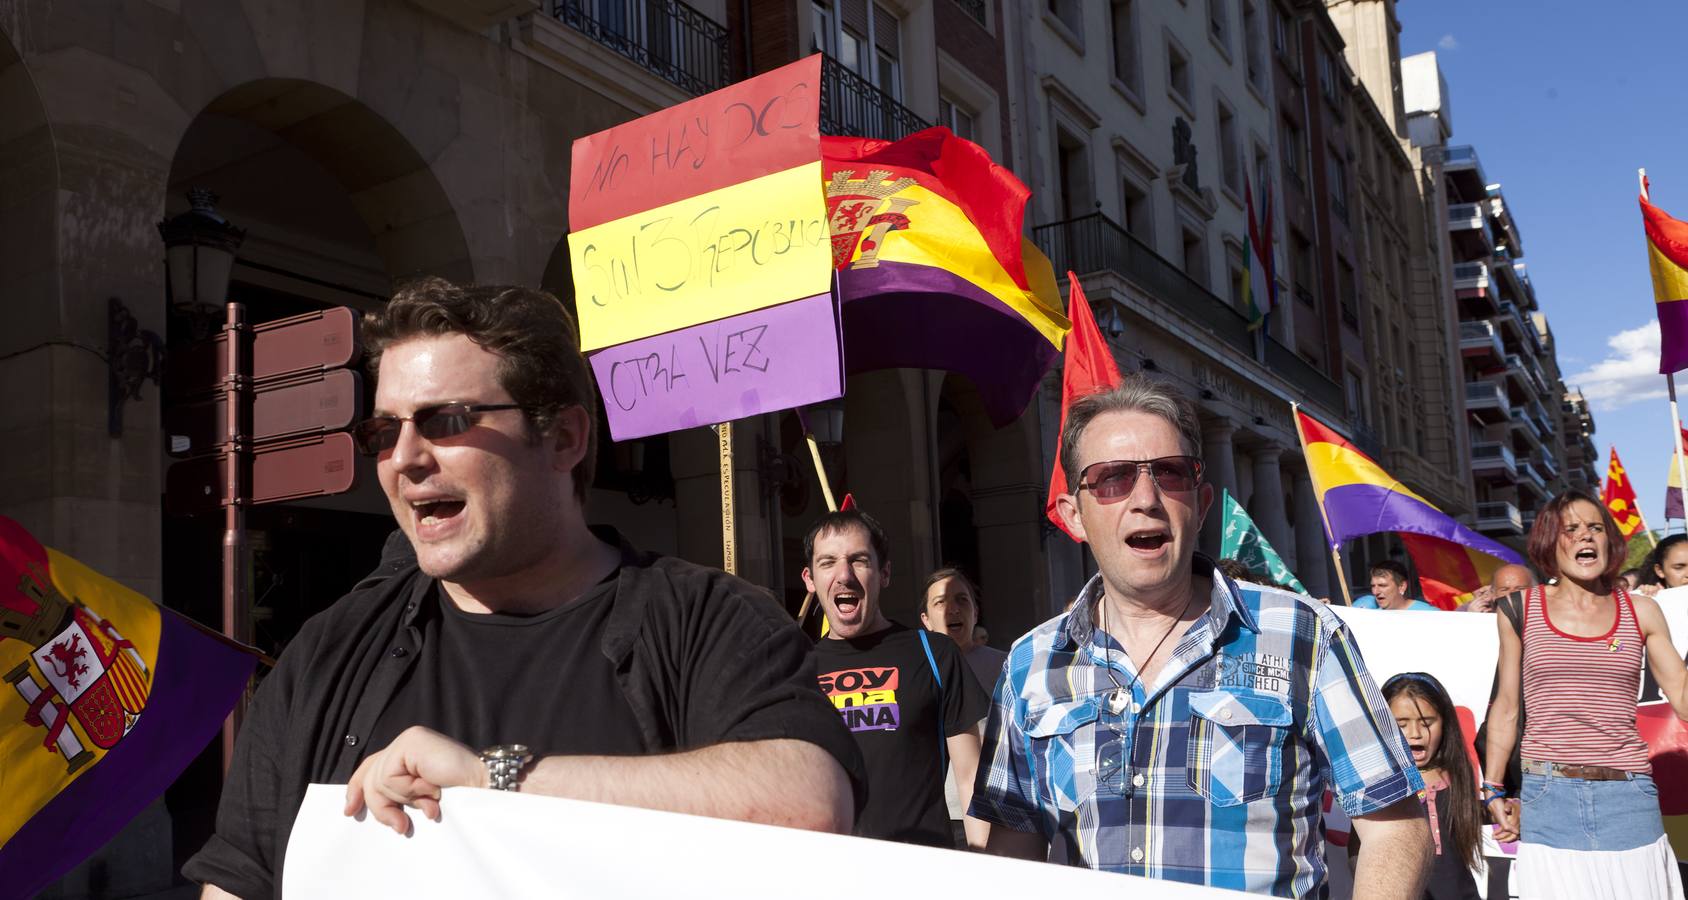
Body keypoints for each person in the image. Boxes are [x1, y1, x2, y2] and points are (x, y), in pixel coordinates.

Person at [184, 279, 862, 899]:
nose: (406, 459)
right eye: (384, 432)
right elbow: (239, 877)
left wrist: (489, 781)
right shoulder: (327, 653)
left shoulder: (707, 619)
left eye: (447, 420)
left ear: (563, 437)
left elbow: (809, 802)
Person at [971, 375, 1431, 897]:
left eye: (1169, 473)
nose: (1146, 497)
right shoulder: (1033, 663)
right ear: (1073, 515)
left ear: (1202, 501)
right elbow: (1014, 856)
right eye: (1112, 479)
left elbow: (1396, 828)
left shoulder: (1303, 635)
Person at [1482, 490, 1688, 899]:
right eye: (1571, 529)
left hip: (1629, 796)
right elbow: (1506, 708)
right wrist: (1492, 787)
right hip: (1547, 794)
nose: (1585, 537)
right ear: (1548, 541)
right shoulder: (1519, 610)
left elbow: (1681, 692)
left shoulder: (1642, 611)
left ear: (1609, 542)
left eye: (1595, 528)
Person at [804, 509, 990, 849]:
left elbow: (970, 776)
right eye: (828, 562)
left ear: (884, 572)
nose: (844, 575)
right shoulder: (796, 669)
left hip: (922, 874)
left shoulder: (934, 654)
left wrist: (986, 872)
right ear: (810, 579)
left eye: (859, 560)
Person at [1352, 673, 1483, 900]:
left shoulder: (1457, 778)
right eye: (1401, 724)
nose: (1415, 733)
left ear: (1445, 723)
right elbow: (1357, 856)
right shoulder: (1377, 786)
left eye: (1426, 723)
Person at [919, 566, 1006, 846]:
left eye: (961, 600)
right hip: (942, 814)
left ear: (976, 612)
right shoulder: (917, 670)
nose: (952, 609)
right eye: (940, 602)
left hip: (1002, 805)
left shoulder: (1010, 666)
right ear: (926, 619)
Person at [1353, 560, 1439, 611]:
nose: (1375, 592)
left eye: (1382, 585)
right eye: (1373, 586)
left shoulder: (1428, 614)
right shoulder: (1370, 616)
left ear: (1402, 586)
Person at [1462, 563, 1536, 613]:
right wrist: (1471, 619)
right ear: (1493, 594)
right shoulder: (1471, 609)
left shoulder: (1543, 612)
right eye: (1504, 589)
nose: (1512, 593)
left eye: (1520, 588)